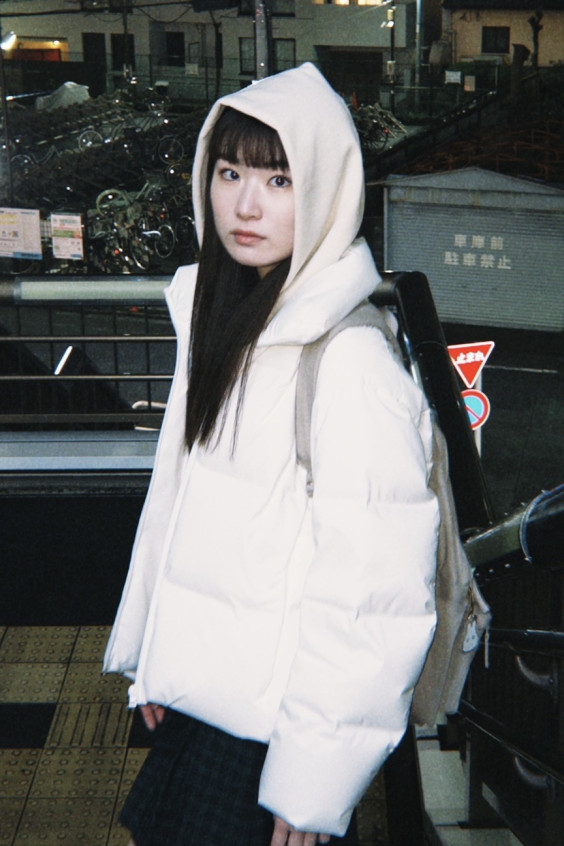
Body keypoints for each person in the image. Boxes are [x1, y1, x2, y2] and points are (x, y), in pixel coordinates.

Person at [103, 62, 439, 846]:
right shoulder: (227, 322)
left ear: (325, 190)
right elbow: (183, 512)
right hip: (210, 708)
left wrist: (313, 778)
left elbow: (373, 595)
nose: (245, 205)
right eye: (229, 173)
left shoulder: (350, 361)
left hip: (276, 734)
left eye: (279, 180)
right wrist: (162, 657)